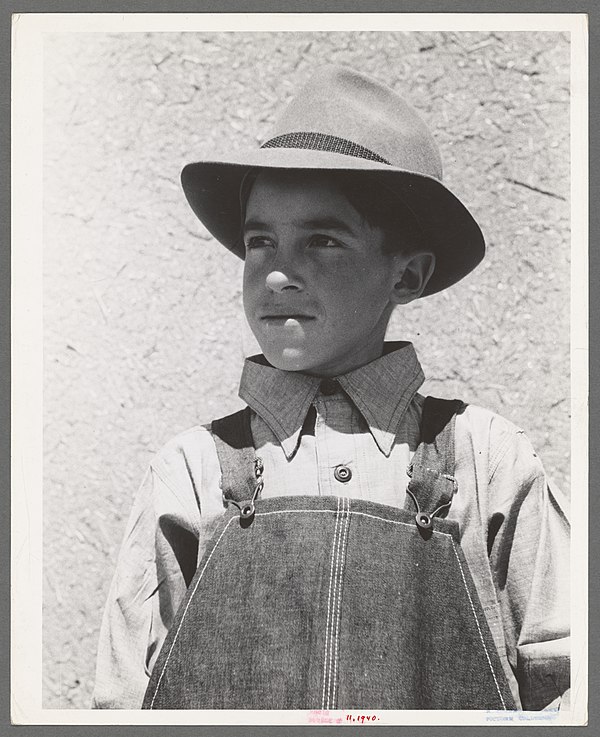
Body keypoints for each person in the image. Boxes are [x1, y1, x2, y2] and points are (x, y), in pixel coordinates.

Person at [92, 65, 570, 711]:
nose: (280, 272)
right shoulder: (193, 469)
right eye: (260, 240)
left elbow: (566, 680)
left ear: (406, 275)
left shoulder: (485, 457)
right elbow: (122, 701)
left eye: (323, 239)